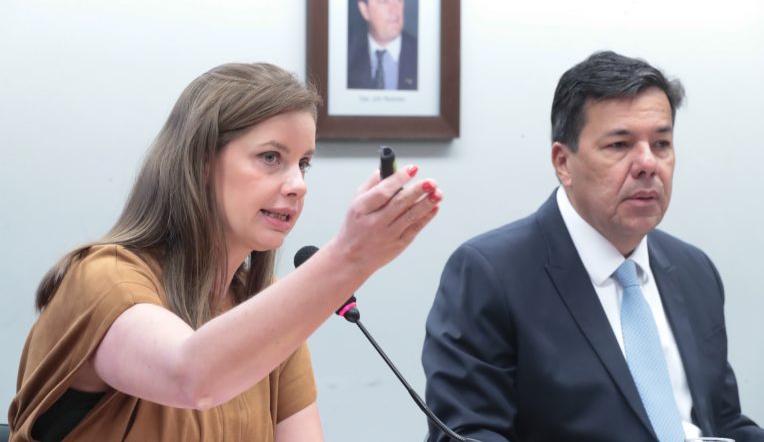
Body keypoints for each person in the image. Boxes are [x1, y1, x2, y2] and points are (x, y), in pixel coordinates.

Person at [8, 62, 443, 441]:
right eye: (270, 157)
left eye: (303, 163)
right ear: (199, 163)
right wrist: (349, 258)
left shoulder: (266, 309)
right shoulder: (102, 278)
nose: (298, 184)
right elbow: (190, 377)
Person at [422, 51, 764, 442]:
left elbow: (722, 420)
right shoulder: (490, 274)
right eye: (619, 145)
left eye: (661, 143)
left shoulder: (694, 269)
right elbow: (469, 433)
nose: (648, 164)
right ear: (563, 162)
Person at [347, 0, 417, 90]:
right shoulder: (346, 54)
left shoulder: (421, 56)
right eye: (383, 1)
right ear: (364, 10)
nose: (394, 10)